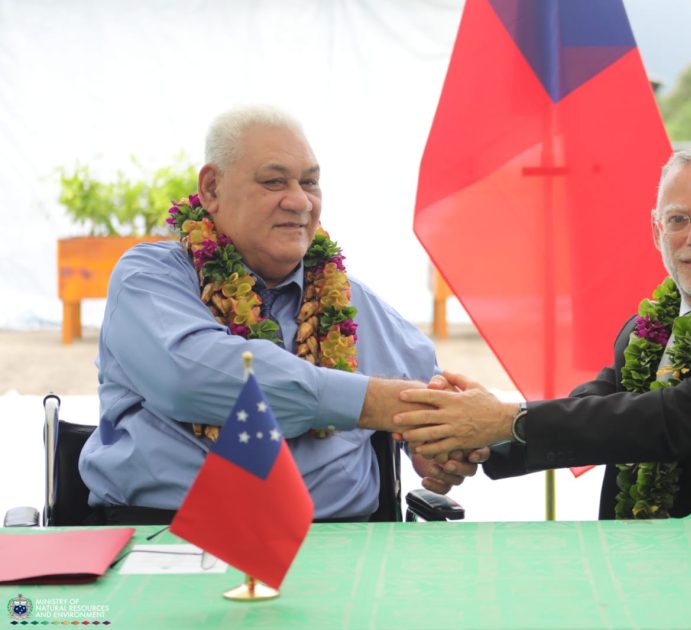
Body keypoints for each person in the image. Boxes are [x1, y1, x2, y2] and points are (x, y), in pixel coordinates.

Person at [79, 104, 481, 524]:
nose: (300, 201)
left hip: (338, 540)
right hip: (164, 534)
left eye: (310, 182)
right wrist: (369, 403)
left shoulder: (349, 300)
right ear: (212, 189)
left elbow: (434, 399)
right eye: (274, 182)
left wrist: (439, 443)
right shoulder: (149, 278)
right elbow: (190, 376)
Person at [394, 146, 691, 519]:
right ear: (656, 231)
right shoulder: (644, 331)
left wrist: (504, 418)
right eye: (678, 220)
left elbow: (664, 420)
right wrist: (476, 439)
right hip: (644, 565)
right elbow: (595, 407)